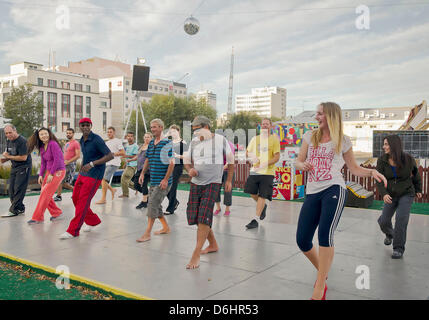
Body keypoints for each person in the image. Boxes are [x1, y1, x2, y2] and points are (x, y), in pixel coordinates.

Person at [294, 102, 387, 300]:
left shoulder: (343, 140)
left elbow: (353, 168)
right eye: (316, 114)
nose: (316, 117)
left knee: (325, 235)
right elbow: (298, 161)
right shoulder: (309, 136)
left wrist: (371, 171)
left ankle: (320, 286)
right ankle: (323, 272)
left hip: (334, 189)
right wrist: (302, 165)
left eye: (320, 114)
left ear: (331, 116)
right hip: (312, 191)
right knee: (302, 240)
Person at [183, 116, 234, 269]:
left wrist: (229, 180)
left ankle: (196, 253)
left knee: (204, 217)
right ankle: (213, 244)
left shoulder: (220, 140)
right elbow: (187, 160)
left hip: (213, 182)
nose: (195, 132)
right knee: (196, 216)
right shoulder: (194, 142)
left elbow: (231, 161)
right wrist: (189, 169)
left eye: (197, 129)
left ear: (206, 126)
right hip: (196, 183)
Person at [59, 118, 113, 239]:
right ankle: (92, 221)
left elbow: (110, 155)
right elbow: (86, 156)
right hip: (84, 173)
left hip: (95, 174)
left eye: (87, 125)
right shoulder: (81, 140)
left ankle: (73, 231)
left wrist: (92, 164)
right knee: (75, 198)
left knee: (83, 201)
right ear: (80, 127)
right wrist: (82, 167)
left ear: (91, 126)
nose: (85, 127)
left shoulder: (97, 139)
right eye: (83, 125)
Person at [375, 135, 422, 259]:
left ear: (394, 145)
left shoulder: (408, 159)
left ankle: (398, 248)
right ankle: (390, 234)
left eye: (386, 144)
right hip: (390, 194)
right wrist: (384, 194)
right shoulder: (382, 160)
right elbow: (379, 180)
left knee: (401, 219)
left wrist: (418, 189)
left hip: (406, 193)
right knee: (384, 221)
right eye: (384, 144)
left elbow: (416, 174)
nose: (383, 147)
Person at [136, 119, 174, 243]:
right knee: (156, 206)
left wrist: (165, 179)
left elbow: (172, 163)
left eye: (155, 127)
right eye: (151, 127)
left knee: (151, 204)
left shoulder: (167, 143)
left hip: (163, 181)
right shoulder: (151, 143)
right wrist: (142, 173)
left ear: (161, 128)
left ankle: (147, 233)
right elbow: (147, 159)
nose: (152, 129)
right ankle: (166, 227)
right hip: (153, 179)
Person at [244, 118, 280, 229]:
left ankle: (255, 219)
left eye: (267, 124)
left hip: (268, 172)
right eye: (263, 124)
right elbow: (247, 152)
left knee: (263, 195)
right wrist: (253, 159)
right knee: (252, 192)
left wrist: (265, 164)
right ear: (260, 126)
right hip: (255, 171)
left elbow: (277, 157)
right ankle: (263, 207)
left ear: (271, 126)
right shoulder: (255, 139)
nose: (265, 126)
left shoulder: (274, 140)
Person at [26, 128, 66, 224]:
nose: (44, 135)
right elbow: (43, 163)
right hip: (49, 171)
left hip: (58, 171)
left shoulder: (53, 144)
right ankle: (56, 212)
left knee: (45, 193)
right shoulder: (42, 146)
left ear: (49, 134)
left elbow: (57, 160)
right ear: (39, 137)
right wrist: (40, 175)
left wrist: (52, 174)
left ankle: (37, 217)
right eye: (41, 134)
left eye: (45, 133)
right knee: (44, 193)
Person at [1, 124, 32, 217]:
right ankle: (20, 208)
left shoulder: (22, 141)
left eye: (10, 132)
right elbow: (12, 155)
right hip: (14, 167)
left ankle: (13, 210)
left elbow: (23, 157)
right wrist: (4, 159)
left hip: (24, 167)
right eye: (6, 133)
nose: (8, 135)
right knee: (11, 190)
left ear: (15, 131)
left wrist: (8, 157)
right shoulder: (9, 141)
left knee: (19, 189)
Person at [95, 126, 125, 204]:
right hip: (107, 163)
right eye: (108, 132)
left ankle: (103, 199)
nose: (109, 133)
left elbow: (123, 153)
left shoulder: (117, 141)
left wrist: (112, 154)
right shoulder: (107, 143)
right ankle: (112, 190)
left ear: (114, 133)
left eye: (110, 132)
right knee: (101, 179)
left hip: (114, 163)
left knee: (104, 180)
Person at [165, 124, 187, 215]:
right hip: (168, 166)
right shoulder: (169, 142)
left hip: (177, 166)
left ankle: (171, 208)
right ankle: (175, 202)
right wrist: (166, 135)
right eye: (171, 131)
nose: (172, 133)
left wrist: (177, 155)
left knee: (173, 187)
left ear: (178, 131)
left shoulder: (183, 142)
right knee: (165, 187)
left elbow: (186, 156)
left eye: (174, 131)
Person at [54, 128, 81, 202]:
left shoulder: (75, 143)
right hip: (63, 164)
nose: (68, 134)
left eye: (70, 133)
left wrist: (68, 162)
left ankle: (76, 191)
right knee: (60, 180)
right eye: (67, 133)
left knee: (65, 183)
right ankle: (59, 196)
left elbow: (78, 155)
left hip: (70, 165)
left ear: (73, 134)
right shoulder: (67, 143)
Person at [214, 134, 236, 216]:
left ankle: (227, 209)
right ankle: (218, 208)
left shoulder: (230, 145)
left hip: (228, 170)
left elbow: (230, 160)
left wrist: (222, 168)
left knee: (227, 190)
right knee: (216, 189)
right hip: (218, 170)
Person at [133, 132, 153, 209]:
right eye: (145, 137)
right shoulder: (141, 146)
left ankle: (144, 202)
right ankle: (147, 196)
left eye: (148, 137)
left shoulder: (151, 147)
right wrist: (130, 159)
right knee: (136, 185)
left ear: (151, 138)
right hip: (139, 168)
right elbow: (138, 156)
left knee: (144, 184)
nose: (146, 138)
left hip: (147, 169)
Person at [119, 132, 139, 198]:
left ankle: (125, 194)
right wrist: (125, 163)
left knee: (124, 177)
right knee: (126, 179)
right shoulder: (128, 146)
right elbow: (128, 157)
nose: (130, 137)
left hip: (133, 165)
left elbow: (135, 156)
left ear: (133, 138)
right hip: (129, 164)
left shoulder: (135, 146)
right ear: (126, 137)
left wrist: (125, 156)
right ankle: (137, 188)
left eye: (131, 136)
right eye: (128, 136)